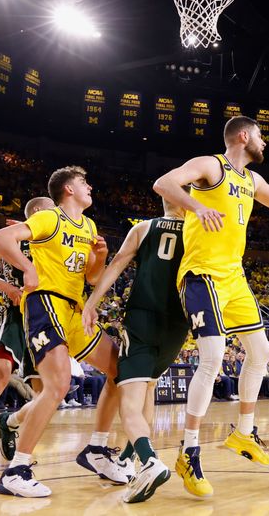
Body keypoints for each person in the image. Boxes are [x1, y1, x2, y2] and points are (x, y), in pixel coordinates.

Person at [153, 115, 269, 497]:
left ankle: (244, 434)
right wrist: (196, 208)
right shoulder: (210, 164)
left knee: (260, 353)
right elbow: (164, 183)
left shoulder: (251, 180)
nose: (265, 143)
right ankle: (189, 449)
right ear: (243, 136)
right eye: (261, 136)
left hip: (234, 278)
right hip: (202, 276)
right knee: (212, 358)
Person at [0, 196, 126, 485]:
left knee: (50, 394)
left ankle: (10, 421)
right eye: (49, 211)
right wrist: (8, 288)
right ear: (37, 215)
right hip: (16, 316)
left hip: (53, 314)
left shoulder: (68, 238)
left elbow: (90, 276)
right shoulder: (19, 238)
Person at [0, 166, 121, 497]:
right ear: (69, 190)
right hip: (45, 302)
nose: (90, 186)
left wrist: (100, 258)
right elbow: (1, 238)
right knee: (59, 384)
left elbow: (91, 278)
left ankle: (96, 449)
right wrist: (28, 267)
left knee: (121, 370)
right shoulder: (51, 218)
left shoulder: (89, 226)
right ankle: (16, 471)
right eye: (84, 182)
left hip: (75, 311)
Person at [82, 197, 190, 503]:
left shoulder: (144, 227)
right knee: (148, 389)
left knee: (130, 398)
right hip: (178, 324)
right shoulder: (197, 230)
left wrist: (92, 303)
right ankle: (129, 460)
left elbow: (116, 266)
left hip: (143, 318)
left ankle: (150, 460)